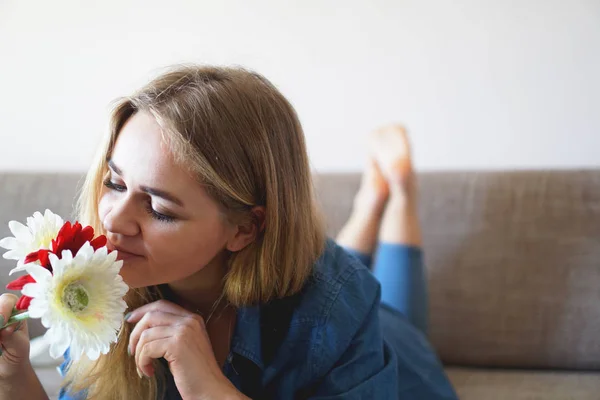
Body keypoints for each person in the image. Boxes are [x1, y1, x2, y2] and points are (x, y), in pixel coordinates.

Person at [0, 65, 457, 399]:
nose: (113, 221)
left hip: (391, 347)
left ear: (245, 228)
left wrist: (209, 388)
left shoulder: (337, 305)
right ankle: (370, 203)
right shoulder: (91, 288)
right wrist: (13, 375)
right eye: (115, 183)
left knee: (396, 315)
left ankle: (396, 192)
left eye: (159, 208)